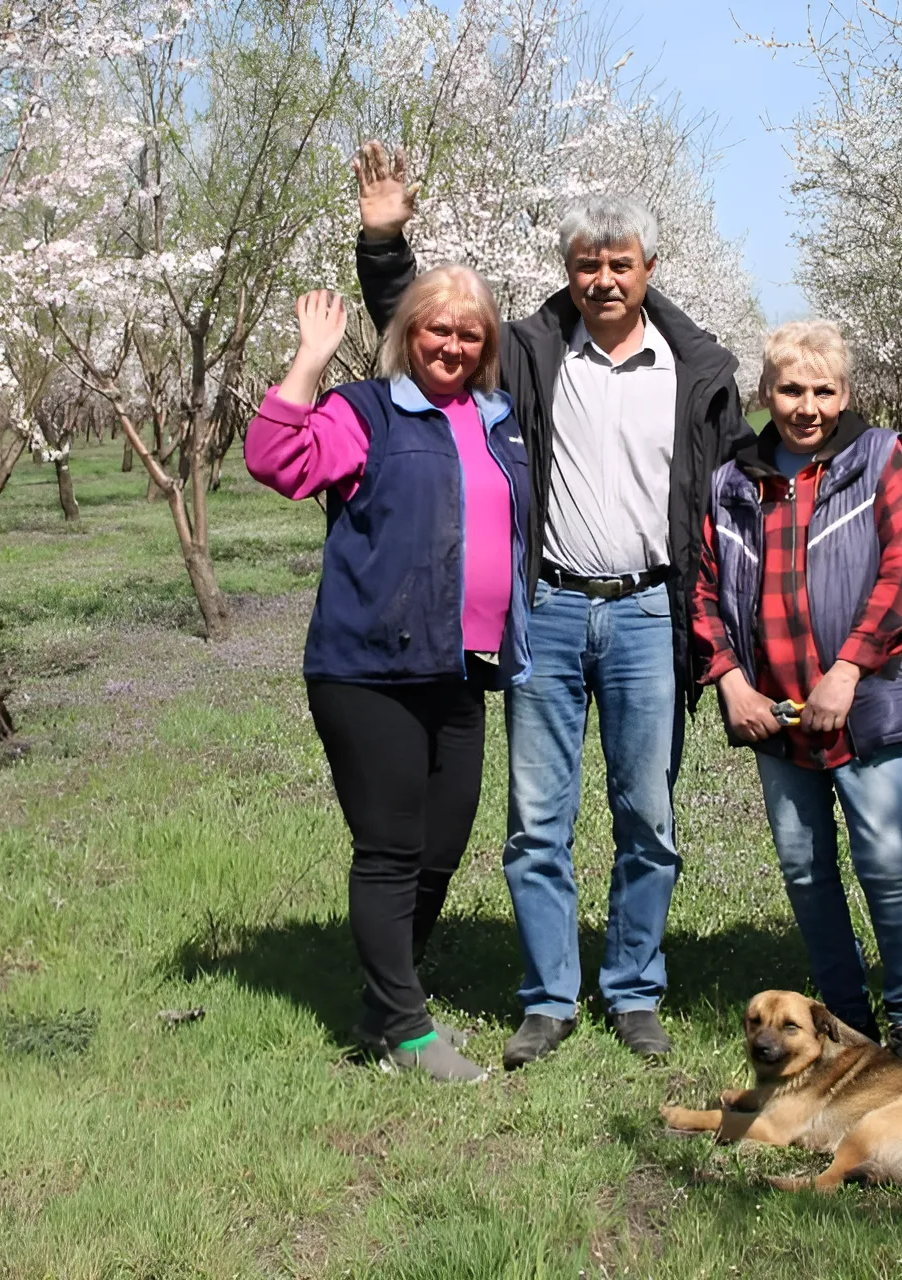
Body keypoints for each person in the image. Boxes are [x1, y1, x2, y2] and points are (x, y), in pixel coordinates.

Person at [349, 142, 752, 1067]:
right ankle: (548, 997)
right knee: (538, 820)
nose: (603, 280)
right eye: (586, 265)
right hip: (551, 614)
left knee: (647, 815)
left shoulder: (697, 372)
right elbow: (425, 342)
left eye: (620, 264)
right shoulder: (529, 357)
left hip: (650, 615)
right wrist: (384, 244)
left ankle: (636, 990)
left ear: (650, 268)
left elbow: (742, 491)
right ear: (566, 272)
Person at [244, 270, 531, 1083]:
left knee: (442, 847)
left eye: (468, 333)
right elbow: (274, 459)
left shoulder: (497, 421)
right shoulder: (366, 410)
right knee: (391, 848)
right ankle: (404, 1030)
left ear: (487, 347)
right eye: (436, 328)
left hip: (461, 669)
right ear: (408, 333)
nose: (451, 344)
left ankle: (384, 996)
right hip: (370, 667)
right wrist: (309, 362)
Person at [691, 320, 902, 1072]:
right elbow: (705, 589)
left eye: (823, 390)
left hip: (861, 705)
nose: (807, 405)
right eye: (791, 389)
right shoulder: (733, 482)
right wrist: (730, 681)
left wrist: (850, 670)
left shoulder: (877, 458)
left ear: (846, 393)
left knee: (887, 863)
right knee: (805, 869)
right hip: (776, 716)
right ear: (766, 393)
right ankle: (846, 1024)